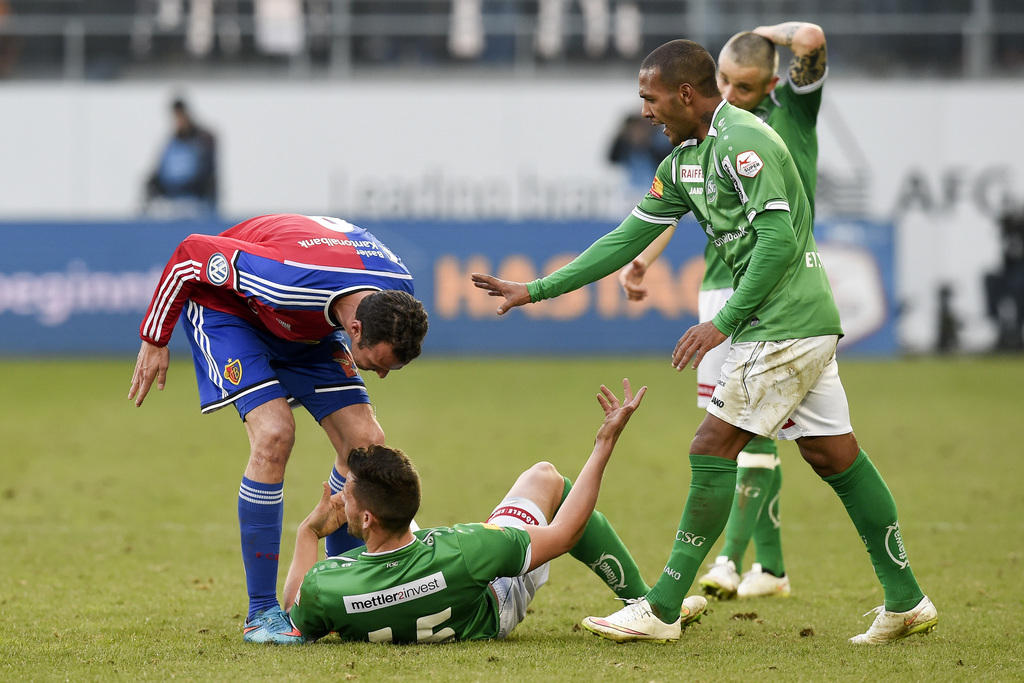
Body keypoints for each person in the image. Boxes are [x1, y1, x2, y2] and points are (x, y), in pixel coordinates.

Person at [471, 39, 936, 645]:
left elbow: (777, 243)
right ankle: (906, 599)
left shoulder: (746, 142)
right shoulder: (683, 161)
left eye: (650, 97)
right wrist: (535, 289)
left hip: (783, 324)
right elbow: (624, 240)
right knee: (833, 456)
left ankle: (661, 606)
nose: (644, 111)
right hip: (794, 323)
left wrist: (725, 320)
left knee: (711, 446)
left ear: (686, 94)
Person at [128, 213, 429, 644]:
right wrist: (155, 337)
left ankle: (344, 585)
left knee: (365, 442)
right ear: (356, 329)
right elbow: (190, 253)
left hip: (307, 327)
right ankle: (261, 613)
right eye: (377, 365)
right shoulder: (283, 278)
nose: (379, 376)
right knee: (274, 433)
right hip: (231, 315)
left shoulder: (398, 293)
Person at [617, 22, 828, 602]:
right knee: (762, 431)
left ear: (773, 84)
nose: (733, 93)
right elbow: (677, 205)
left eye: (746, 84)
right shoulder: (709, 138)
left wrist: (762, 32)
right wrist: (643, 260)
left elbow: (810, 36)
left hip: (773, 290)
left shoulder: (787, 121)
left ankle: (731, 560)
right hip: (723, 283)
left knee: (741, 431)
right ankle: (773, 567)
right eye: (726, 82)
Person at [279, 379, 708, 643]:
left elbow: (295, 607)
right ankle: (640, 600)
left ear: (368, 518)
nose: (339, 500)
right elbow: (564, 534)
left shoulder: (326, 587)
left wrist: (307, 534)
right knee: (545, 478)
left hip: (402, 587)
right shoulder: (466, 548)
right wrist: (603, 446)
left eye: (345, 494)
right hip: (492, 608)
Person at [144, 97, 218, 215]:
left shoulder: (202, 140)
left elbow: (206, 171)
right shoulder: (172, 142)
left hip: (195, 195)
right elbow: (161, 169)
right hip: (171, 193)